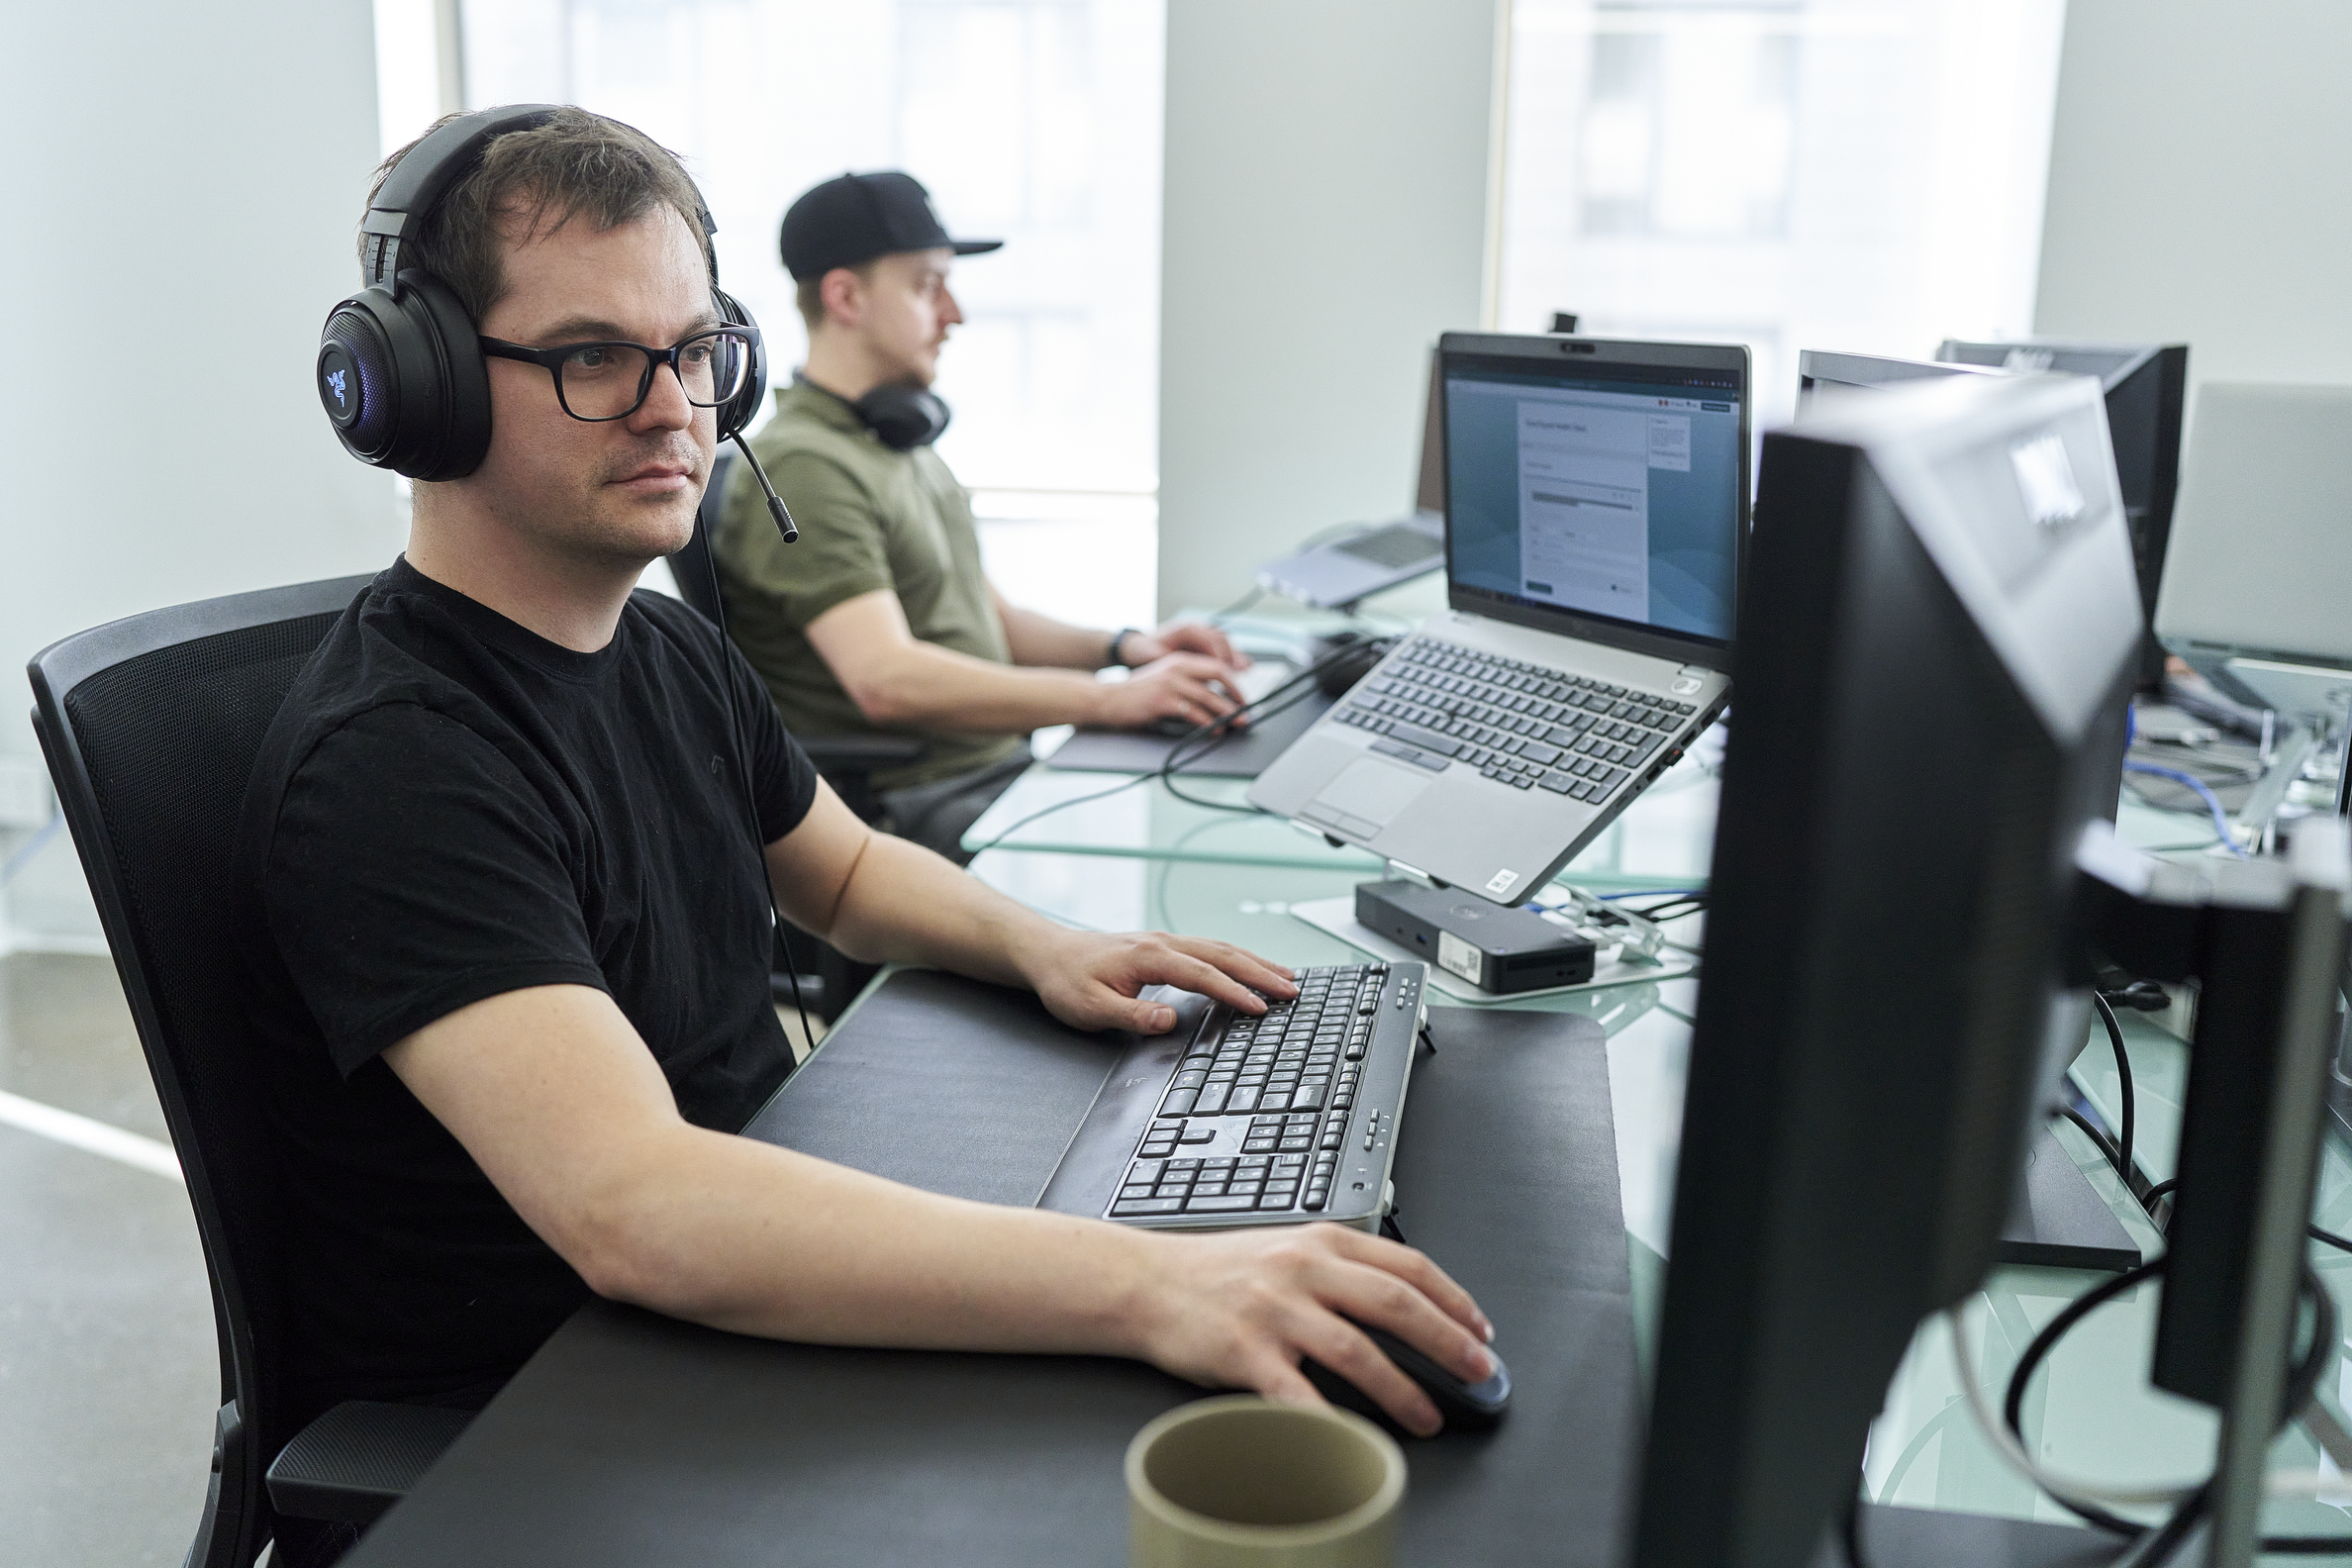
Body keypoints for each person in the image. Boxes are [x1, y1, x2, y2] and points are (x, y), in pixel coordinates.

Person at [238, 108, 1491, 1564]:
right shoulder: (398, 757)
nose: (673, 408)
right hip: (562, 1407)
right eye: (594, 357)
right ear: (422, 387)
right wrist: (1153, 1288)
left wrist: (1058, 948)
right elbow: (637, 1208)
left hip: (731, 1292)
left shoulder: (665, 653)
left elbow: (835, 867)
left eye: (697, 351)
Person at [712, 170, 1250, 859]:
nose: (955, 313)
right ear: (846, 296)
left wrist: (1126, 649)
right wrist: (1111, 700)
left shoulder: (893, 443)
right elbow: (886, 679)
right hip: (924, 805)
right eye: (927, 285)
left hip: (995, 776)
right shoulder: (808, 467)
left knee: (1203, 814)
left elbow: (996, 622)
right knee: (1193, 846)